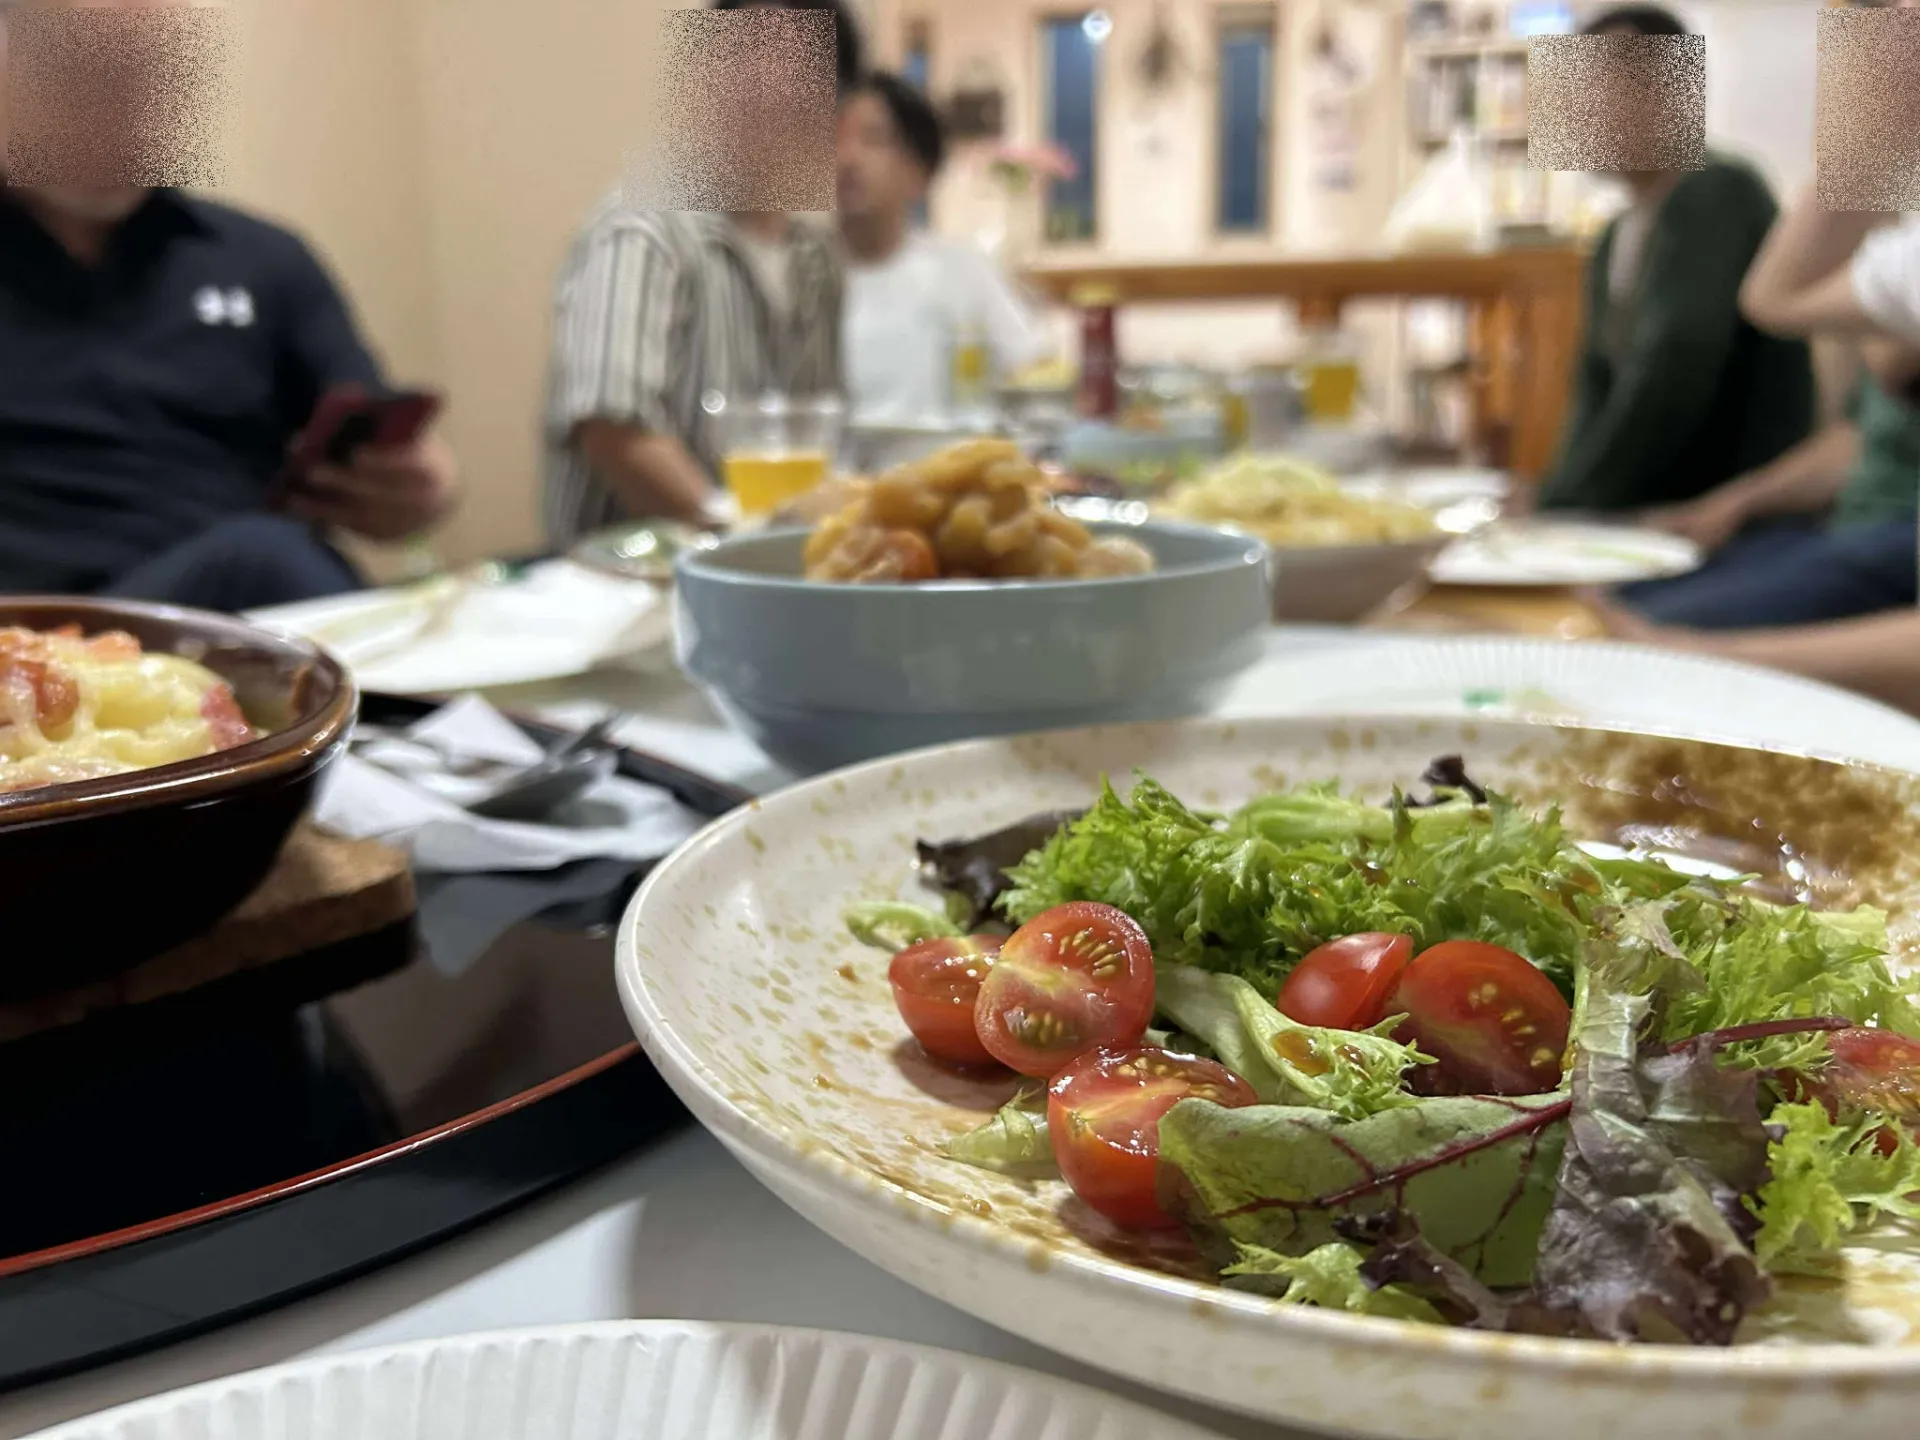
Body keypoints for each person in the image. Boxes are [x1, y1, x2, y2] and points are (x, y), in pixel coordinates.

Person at [0, 0, 458, 613]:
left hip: (244, 624)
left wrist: (421, 490)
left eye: (150, 77)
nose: (121, 109)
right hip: (31, 639)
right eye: (82, 76)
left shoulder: (263, 259)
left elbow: (379, 464)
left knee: (280, 561)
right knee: (267, 555)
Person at [541, 0, 861, 544]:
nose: (758, 93)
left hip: (769, 578)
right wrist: (737, 533)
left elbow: (815, 429)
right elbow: (612, 429)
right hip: (631, 586)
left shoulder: (818, 257)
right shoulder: (643, 228)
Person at [1531, 5, 1815, 516]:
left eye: (1611, 80)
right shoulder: (1614, 235)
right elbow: (1594, 393)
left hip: (1729, 515)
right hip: (1644, 514)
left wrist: (1566, 504)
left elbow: (1675, 366)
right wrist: (1556, 496)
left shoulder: (1718, 191)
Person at [1620, 370, 1920, 627]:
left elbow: (1891, 363)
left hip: (1898, 543)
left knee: (1640, 625)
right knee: (1617, 596)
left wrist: (1669, 643)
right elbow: (1859, 439)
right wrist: (1731, 505)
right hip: (1836, 532)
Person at [837, 72, 1051, 424]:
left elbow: (1032, 372)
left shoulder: (961, 271)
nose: (847, 157)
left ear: (919, 171)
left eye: (873, 139)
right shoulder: (803, 279)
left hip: (941, 471)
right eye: (836, 138)